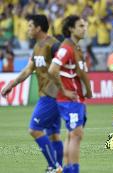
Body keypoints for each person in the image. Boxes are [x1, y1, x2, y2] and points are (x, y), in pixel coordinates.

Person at [1, 14, 63, 173]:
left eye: (30, 26)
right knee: (53, 135)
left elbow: (66, 65)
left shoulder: (54, 45)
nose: (27, 29)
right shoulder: (37, 47)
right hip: (52, 96)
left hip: (51, 96)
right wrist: (12, 84)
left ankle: (54, 166)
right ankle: (59, 168)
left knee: (34, 128)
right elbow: (29, 69)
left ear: (38, 28)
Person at [48, 15, 92, 173]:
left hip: (75, 99)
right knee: (76, 135)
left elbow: (80, 73)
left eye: (85, 25)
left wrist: (87, 90)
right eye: (81, 26)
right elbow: (52, 69)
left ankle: (68, 169)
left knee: (72, 134)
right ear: (71, 29)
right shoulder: (66, 48)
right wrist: (64, 89)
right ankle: (73, 170)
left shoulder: (75, 47)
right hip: (69, 99)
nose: (84, 28)